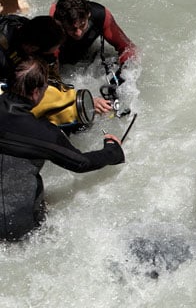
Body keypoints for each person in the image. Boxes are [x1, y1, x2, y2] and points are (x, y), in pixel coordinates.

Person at [0, 58, 125, 241]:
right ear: (35, 93)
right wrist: (112, 150)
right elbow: (81, 163)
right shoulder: (43, 133)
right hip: (19, 229)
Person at [50, 0, 138, 114]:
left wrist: (123, 78)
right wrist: (85, 101)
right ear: (61, 23)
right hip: (64, 62)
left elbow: (128, 48)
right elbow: (50, 84)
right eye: (72, 29)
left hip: (87, 56)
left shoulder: (101, 15)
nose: (78, 33)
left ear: (88, 15)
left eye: (82, 25)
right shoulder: (53, 30)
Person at [0, 14, 64, 83]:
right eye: (50, 53)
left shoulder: (29, 26)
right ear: (32, 48)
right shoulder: (2, 57)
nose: (57, 51)